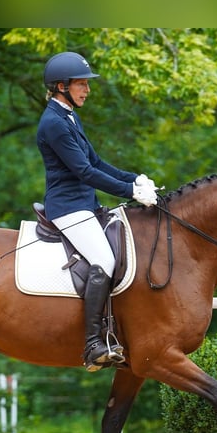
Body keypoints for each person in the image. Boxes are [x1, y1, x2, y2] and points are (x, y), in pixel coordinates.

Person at [36, 51, 159, 372]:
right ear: (61, 86)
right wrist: (130, 193)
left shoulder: (68, 117)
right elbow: (84, 172)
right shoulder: (53, 123)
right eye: (81, 84)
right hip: (68, 207)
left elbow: (97, 163)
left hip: (85, 204)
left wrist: (134, 177)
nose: (87, 90)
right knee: (103, 260)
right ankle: (93, 342)